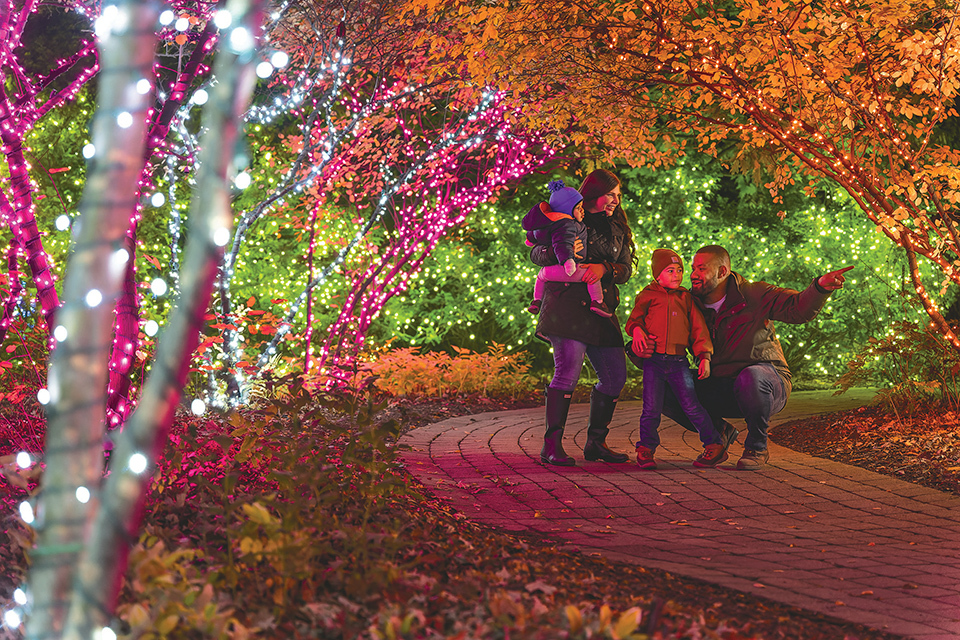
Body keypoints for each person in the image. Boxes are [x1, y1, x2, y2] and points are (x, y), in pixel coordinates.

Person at [647, 245, 852, 470]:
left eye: (701, 269)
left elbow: (797, 308)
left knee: (751, 377)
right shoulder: (689, 304)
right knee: (664, 386)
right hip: (720, 384)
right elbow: (667, 337)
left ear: (722, 272)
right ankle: (718, 434)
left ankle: (756, 446)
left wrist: (819, 288)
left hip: (766, 382)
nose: (693, 274)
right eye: (693, 268)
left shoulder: (755, 293)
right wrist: (642, 347)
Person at [529, 169, 635, 466]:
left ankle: (596, 443)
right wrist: (560, 253)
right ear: (594, 194)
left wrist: (606, 270)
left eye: (618, 195)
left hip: (601, 307)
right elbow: (536, 253)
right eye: (610, 194)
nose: (616, 200)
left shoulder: (618, 227)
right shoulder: (569, 214)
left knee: (615, 378)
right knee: (568, 372)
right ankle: (551, 447)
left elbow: (626, 268)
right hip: (567, 305)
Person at [625, 248, 729, 469]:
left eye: (680, 270)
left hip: (678, 362)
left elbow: (699, 330)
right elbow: (634, 321)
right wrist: (637, 331)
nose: (677, 275)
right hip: (653, 362)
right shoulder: (647, 295)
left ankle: (714, 444)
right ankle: (646, 449)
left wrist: (704, 357)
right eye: (670, 270)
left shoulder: (686, 298)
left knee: (691, 405)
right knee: (651, 407)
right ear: (657, 275)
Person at [524, 180, 612, 318]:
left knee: (540, 277)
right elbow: (562, 243)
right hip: (571, 270)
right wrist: (568, 261)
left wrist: (529, 240)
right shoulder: (568, 224)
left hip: (550, 272)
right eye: (578, 208)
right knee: (592, 277)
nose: (582, 211)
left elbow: (535, 232)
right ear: (566, 211)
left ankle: (536, 301)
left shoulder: (548, 222)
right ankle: (598, 302)